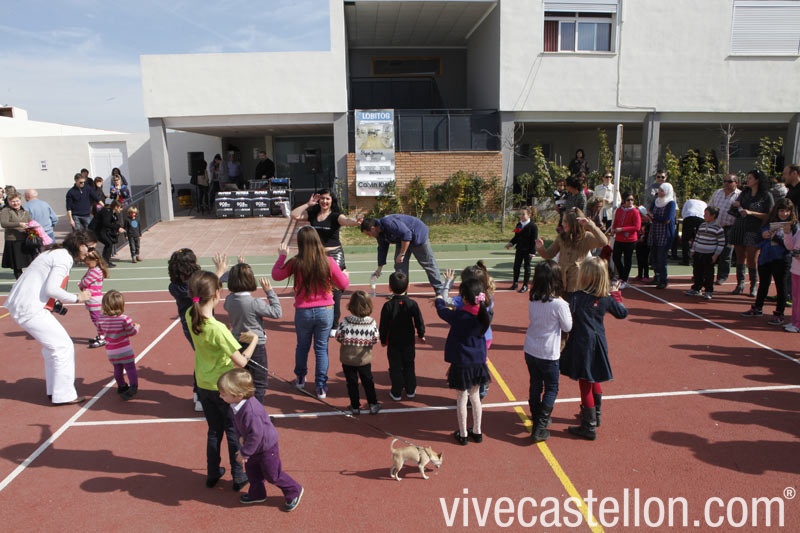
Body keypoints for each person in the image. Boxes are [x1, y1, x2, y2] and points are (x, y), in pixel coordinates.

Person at [187, 270, 258, 491]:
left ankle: (212, 472)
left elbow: (200, 296)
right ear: (217, 294)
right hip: (224, 387)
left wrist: (215, 275)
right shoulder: (218, 329)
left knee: (214, 430)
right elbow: (241, 362)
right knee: (232, 431)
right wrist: (254, 341)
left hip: (203, 383)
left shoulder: (190, 314)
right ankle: (238, 475)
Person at [4, 230, 94, 405]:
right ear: (79, 245)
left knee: (53, 347)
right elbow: (52, 289)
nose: (90, 253)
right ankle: (63, 395)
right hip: (29, 307)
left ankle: (55, 391)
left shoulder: (56, 253)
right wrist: (77, 297)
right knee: (63, 346)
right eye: (89, 248)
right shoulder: (64, 258)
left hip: (25, 304)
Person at [272, 226, 350, 399]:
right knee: (321, 348)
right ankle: (321, 386)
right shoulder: (328, 261)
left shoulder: (296, 262)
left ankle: (300, 378)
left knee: (302, 346)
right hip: (325, 310)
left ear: (300, 243)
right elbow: (343, 285)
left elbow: (276, 275)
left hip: (303, 311)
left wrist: (282, 256)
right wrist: (346, 275)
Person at [560, 257, 628, 440]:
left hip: (582, 343)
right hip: (599, 342)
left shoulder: (576, 297)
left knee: (585, 384)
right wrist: (616, 294)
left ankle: (588, 426)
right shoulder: (605, 298)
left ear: (585, 276)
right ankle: (596, 414)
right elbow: (622, 313)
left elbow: (566, 320)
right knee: (594, 376)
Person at [217, 368, 304, 510]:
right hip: (253, 446)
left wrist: (244, 453)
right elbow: (237, 423)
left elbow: (256, 435)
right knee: (252, 472)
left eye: (223, 393)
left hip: (265, 447)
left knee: (272, 475)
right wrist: (240, 437)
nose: (220, 396)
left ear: (237, 394)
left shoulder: (251, 412)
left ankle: (294, 490)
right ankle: (257, 494)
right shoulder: (235, 404)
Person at [291, 190, 360, 335]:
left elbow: (346, 221)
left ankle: (334, 324)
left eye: (327, 199)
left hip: (334, 254)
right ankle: (320, 317)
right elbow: (294, 215)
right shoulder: (313, 213)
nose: (324, 201)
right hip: (317, 255)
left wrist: (355, 222)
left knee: (335, 288)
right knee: (320, 285)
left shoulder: (335, 216)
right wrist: (308, 204)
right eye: (322, 198)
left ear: (332, 201)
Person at [168, 249, 227, 411]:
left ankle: (197, 392)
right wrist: (219, 272)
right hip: (198, 325)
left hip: (190, 325)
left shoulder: (174, 285)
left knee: (202, 356)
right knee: (207, 359)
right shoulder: (189, 286)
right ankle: (202, 396)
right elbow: (202, 289)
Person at [435, 277, 492, 446]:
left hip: (462, 362)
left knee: (462, 397)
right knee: (475, 397)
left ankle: (463, 433)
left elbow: (442, 311)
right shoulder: (484, 314)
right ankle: (478, 431)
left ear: (465, 298)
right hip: (478, 361)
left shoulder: (461, 316)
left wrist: (439, 299)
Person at [524, 260, 572, 443]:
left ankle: (537, 416)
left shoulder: (533, 298)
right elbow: (567, 326)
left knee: (535, 383)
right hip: (548, 352)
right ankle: (540, 426)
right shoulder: (560, 304)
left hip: (531, 349)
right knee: (552, 388)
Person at [224, 262, 282, 404]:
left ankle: (243, 408)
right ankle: (256, 411)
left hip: (237, 343)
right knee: (259, 382)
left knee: (242, 381)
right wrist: (269, 291)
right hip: (255, 346)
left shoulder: (229, 300)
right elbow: (277, 312)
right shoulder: (255, 302)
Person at [740, 199, 796, 324]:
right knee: (763, 284)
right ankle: (758, 307)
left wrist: (776, 238)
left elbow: (791, 246)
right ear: (776, 211)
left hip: (782, 259)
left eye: (787, 211)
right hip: (766, 257)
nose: (784, 214)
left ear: (791, 212)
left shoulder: (793, 225)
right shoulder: (769, 222)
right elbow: (757, 239)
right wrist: (763, 235)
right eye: (781, 210)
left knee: (781, 286)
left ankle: (779, 313)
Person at [360, 214, 445, 295]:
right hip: (402, 240)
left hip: (417, 236)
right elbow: (382, 249)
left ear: (372, 228)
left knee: (428, 264)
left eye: (368, 234)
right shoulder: (379, 234)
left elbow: (407, 234)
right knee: (400, 266)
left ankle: (440, 291)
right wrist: (379, 269)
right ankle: (400, 292)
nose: (369, 236)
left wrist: (402, 254)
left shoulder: (388, 223)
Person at [535, 207, 608, 296]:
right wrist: (540, 248)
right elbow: (548, 254)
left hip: (577, 283)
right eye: (562, 221)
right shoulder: (561, 237)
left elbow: (603, 242)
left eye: (565, 221)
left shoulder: (586, 237)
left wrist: (590, 225)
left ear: (573, 223)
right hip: (561, 282)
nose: (562, 224)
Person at [380, 272, 426, 401]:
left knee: (395, 367)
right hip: (408, 341)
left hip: (394, 342)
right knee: (409, 365)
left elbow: (383, 325)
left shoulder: (388, 305)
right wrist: (421, 333)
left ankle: (396, 392)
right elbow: (419, 320)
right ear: (408, 286)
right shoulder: (412, 304)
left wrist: (383, 339)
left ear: (390, 287)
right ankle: (410, 389)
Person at [335, 290, 381, 415]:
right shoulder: (371, 322)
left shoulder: (346, 321)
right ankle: (373, 404)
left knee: (351, 382)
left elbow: (338, 336)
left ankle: (355, 406)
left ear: (351, 305)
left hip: (348, 358)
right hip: (364, 359)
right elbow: (375, 339)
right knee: (368, 381)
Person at [729, 169, 774, 296]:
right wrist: (736, 205)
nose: (747, 180)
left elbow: (769, 215)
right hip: (740, 227)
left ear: (757, 180)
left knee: (752, 258)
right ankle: (740, 284)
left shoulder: (766, 195)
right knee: (740, 257)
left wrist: (751, 212)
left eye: (750, 178)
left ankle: (753, 285)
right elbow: (734, 210)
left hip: (755, 229)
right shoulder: (745, 193)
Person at [96, 290, 140, 400]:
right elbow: (132, 332)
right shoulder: (124, 319)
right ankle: (133, 386)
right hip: (125, 349)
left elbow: (100, 333)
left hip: (111, 351)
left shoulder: (101, 319)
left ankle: (121, 386)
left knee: (117, 368)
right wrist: (137, 327)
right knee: (130, 368)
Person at [684, 207, 726, 300]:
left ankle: (708, 291)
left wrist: (715, 255)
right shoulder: (702, 225)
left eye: (706, 214)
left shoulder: (718, 228)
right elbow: (697, 238)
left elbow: (721, 243)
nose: (704, 215)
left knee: (708, 274)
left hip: (709, 254)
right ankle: (696, 288)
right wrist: (693, 250)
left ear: (713, 215)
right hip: (698, 253)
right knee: (697, 272)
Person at [707, 174, 741, 285]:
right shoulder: (717, 193)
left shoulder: (740, 196)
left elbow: (741, 213)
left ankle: (722, 276)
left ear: (736, 183)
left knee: (726, 253)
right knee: (710, 251)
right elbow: (710, 207)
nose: (726, 183)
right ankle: (707, 274)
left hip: (730, 228)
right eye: (725, 181)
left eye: (729, 181)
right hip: (714, 227)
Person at [647, 182, 677, 289]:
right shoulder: (656, 201)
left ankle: (664, 280)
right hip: (654, 231)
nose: (659, 192)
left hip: (664, 233)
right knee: (654, 256)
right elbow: (650, 212)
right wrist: (647, 214)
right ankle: (657, 276)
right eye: (659, 190)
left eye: (662, 190)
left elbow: (667, 219)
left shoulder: (670, 203)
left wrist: (653, 216)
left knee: (661, 257)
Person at [609, 192, 642, 288]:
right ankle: (622, 276)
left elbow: (637, 227)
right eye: (628, 200)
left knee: (627, 259)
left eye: (632, 200)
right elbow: (616, 222)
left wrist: (622, 229)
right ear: (624, 201)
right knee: (616, 257)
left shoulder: (635, 211)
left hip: (630, 239)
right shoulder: (619, 210)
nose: (630, 202)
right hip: (619, 238)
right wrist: (613, 230)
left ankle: (624, 279)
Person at [78, 250, 109, 348]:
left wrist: (80, 284)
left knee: (97, 319)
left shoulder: (95, 271)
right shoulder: (92, 269)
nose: (87, 265)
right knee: (95, 319)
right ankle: (101, 335)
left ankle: (103, 336)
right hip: (91, 298)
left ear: (95, 260)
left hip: (94, 299)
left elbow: (85, 282)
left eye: (88, 263)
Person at [1, 192, 34, 278]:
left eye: (17, 201)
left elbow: (30, 222)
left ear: (20, 200)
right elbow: (4, 223)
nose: (15, 203)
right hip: (13, 241)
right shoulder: (6, 211)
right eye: (13, 201)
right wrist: (19, 224)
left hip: (25, 240)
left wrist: (33, 226)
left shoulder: (24, 211)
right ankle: (19, 281)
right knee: (17, 266)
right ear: (8, 202)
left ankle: (29, 279)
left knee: (30, 262)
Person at [505, 207, 538, 293]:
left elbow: (534, 240)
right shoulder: (519, 224)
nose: (521, 216)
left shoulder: (533, 226)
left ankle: (525, 285)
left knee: (527, 267)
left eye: (523, 214)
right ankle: (515, 283)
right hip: (519, 249)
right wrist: (510, 243)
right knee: (516, 266)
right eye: (520, 214)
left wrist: (532, 252)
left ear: (529, 215)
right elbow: (516, 237)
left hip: (528, 250)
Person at [91, 200, 125, 267]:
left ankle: (105, 261)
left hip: (101, 230)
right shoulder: (107, 211)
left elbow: (114, 223)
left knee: (109, 243)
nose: (121, 209)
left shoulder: (113, 214)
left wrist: (119, 227)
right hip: (96, 230)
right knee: (108, 243)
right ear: (116, 207)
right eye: (120, 207)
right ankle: (105, 262)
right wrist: (117, 228)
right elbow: (106, 223)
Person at [781, 213, 800, 333]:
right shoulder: (799, 231)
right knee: (796, 298)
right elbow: (790, 246)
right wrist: (787, 233)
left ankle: (798, 324)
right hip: (796, 269)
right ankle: (795, 321)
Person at [680, 197, 708, 265]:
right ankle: (698, 259)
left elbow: (683, 212)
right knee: (699, 239)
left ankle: (686, 260)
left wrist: (685, 219)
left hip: (689, 217)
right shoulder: (704, 203)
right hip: (701, 219)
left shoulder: (688, 201)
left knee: (685, 240)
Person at [634, 205, 652, 282]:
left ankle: (646, 275)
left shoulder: (649, 225)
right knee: (639, 259)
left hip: (646, 244)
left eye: (641, 215)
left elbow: (648, 235)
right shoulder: (639, 223)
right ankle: (640, 274)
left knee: (645, 260)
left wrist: (643, 238)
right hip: (638, 243)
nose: (640, 217)